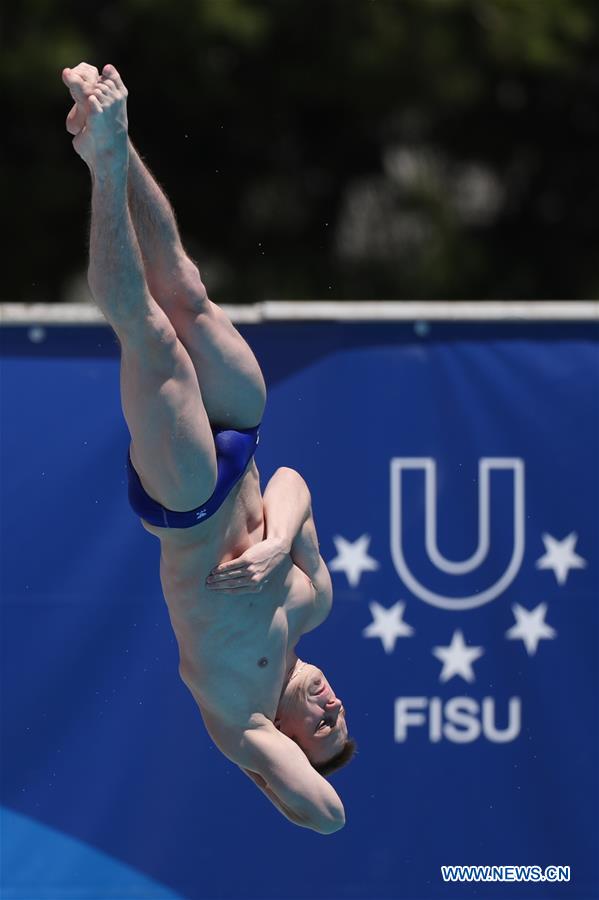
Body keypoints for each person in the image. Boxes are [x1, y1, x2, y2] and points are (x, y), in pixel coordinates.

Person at [62, 62, 356, 833]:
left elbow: (327, 817)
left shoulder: (243, 723)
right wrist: (280, 542)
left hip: (186, 497)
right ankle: (116, 149)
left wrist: (280, 776)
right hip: (245, 443)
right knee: (185, 289)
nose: (330, 705)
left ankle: (104, 166)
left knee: (148, 330)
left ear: (287, 753)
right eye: (339, 711)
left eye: (322, 727)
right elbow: (291, 480)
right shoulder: (313, 603)